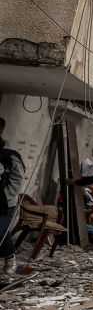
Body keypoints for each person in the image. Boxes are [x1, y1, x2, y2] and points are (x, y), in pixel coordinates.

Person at [0, 118, 26, 275]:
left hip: (4, 202)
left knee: (1, 230)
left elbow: (18, 181)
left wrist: (4, 195)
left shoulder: (10, 156)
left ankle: (10, 256)